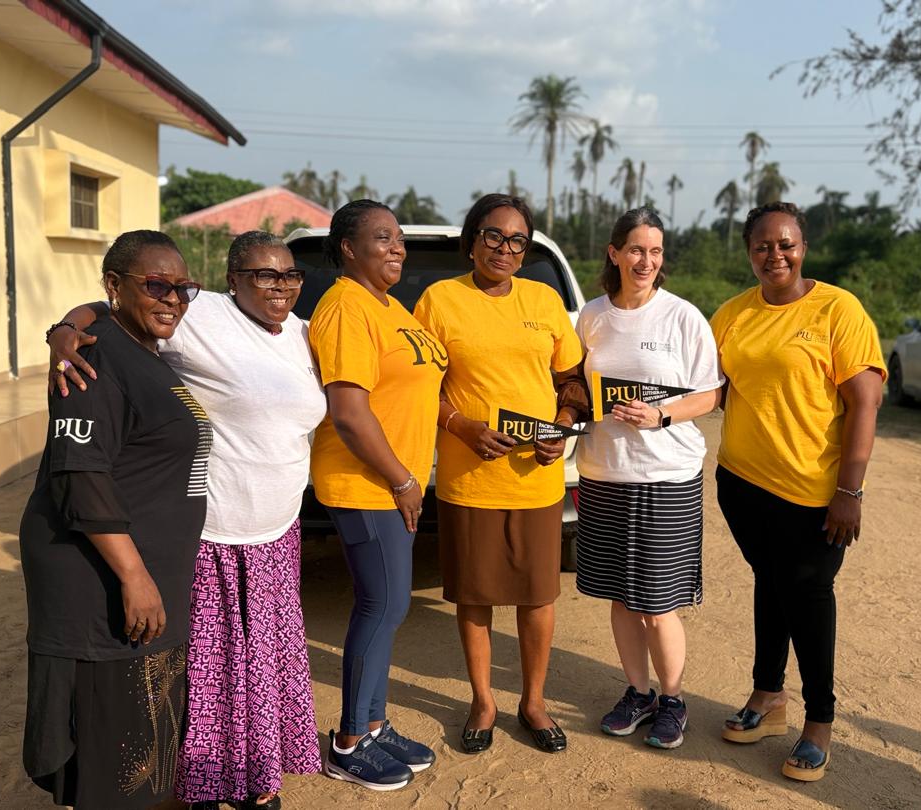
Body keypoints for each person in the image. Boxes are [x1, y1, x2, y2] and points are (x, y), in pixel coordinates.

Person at [48, 231, 326, 810]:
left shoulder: (302, 333)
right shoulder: (201, 316)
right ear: (232, 281)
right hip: (216, 533)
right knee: (211, 677)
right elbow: (108, 307)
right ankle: (204, 786)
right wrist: (64, 331)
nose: (280, 286)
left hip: (277, 532)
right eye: (263, 275)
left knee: (265, 670)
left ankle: (258, 781)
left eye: (290, 275)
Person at [20, 230, 211, 809]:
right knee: (115, 745)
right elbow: (81, 476)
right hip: (103, 579)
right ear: (116, 286)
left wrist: (69, 320)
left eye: (183, 288)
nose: (173, 298)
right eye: (156, 284)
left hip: (152, 567)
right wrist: (134, 577)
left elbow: (91, 310)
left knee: (147, 725)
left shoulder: (135, 345)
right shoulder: (91, 360)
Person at [710, 201, 885, 782]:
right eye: (762, 245)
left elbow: (865, 402)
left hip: (814, 495)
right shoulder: (733, 313)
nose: (774, 255)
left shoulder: (838, 309)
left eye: (785, 244)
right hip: (741, 482)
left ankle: (820, 723)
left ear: (803, 248)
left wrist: (850, 491)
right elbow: (705, 387)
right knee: (769, 582)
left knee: (808, 599)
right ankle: (767, 697)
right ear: (749, 251)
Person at [413, 193, 587, 755]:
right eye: (493, 236)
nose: (504, 249)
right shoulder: (439, 300)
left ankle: (533, 702)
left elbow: (573, 380)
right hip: (470, 476)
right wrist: (462, 427)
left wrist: (562, 424)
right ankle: (483, 700)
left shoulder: (544, 299)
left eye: (517, 241)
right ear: (472, 240)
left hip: (537, 477)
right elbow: (421, 387)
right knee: (475, 594)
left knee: (538, 595)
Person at [573, 207, 724, 750]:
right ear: (614, 253)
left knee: (656, 602)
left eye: (656, 251)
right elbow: (572, 389)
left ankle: (674, 699)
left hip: (666, 475)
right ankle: (638, 692)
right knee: (619, 595)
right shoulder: (589, 317)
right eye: (637, 249)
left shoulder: (683, 317)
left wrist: (662, 416)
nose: (647, 261)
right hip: (604, 472)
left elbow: (710, 393)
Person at [308, 200, 446, 791]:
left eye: (398, 239)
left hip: (394, 482)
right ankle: (347, 741)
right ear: (347, 247)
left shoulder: (391, 307)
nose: (396, 248)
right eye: (381, 238)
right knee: (381, 604)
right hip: (368, 483)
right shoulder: (345, 308)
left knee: (391, 606)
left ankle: (374, 722)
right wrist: (403, 478)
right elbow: (348, 412)